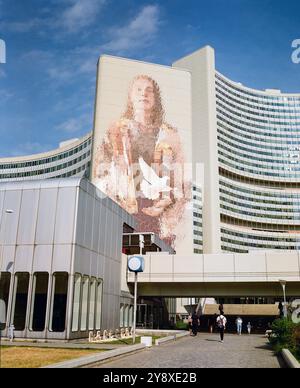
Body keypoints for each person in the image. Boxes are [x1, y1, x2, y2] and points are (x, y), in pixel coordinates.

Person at [93, 75, 190, 248]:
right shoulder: (115, 130)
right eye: (138, 89)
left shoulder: (170, 135)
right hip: (123, 212)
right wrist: (117, 202)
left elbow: (182, 180)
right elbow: (101, 173)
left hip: (159, 217)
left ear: (155, 98)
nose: (143, 94)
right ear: (130, 96)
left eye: (149, 90)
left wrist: (166, 204)